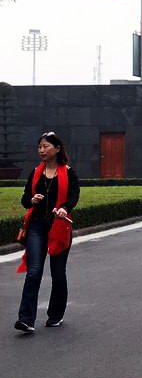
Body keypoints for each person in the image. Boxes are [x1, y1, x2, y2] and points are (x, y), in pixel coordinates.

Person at [15, 132, 80, 334]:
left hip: (59, 227)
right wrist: (32, 200)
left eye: (46, 146)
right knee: (34, 272)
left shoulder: (68, 173)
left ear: (57, 149)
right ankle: (26, 319)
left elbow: (73, 196)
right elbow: (25, 199)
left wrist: (65, 208)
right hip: (36, 226)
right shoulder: (35, 173)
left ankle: (55, 315)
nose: (42, 150)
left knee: (58, 274)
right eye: (40, 147)